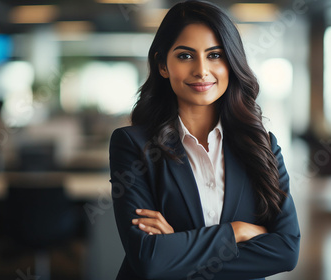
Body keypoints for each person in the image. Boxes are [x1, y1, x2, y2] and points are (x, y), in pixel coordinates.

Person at [109, 1, 300, 279]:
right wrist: (236, 231)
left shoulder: (263, 146)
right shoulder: (132, 144)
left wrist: (177, 247)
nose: (201, 70)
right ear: (163, 65)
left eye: (215, 55)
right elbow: (148, 259)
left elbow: (286, 251)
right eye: (185, 56)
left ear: (231, 62)